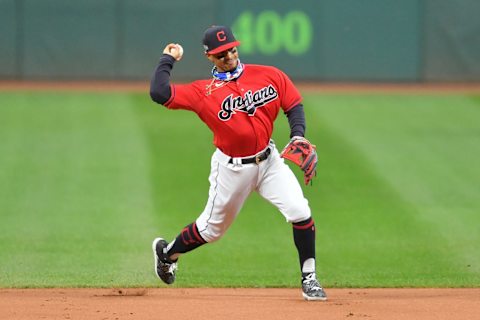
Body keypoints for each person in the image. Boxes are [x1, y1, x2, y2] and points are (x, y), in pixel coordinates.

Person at [149, 25, 327, 301]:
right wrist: (167, 59)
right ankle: (167, 253)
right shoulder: (201, 92)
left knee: (299, 210)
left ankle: (310, 278)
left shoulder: (269, 75)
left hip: (270, 162)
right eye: (221, 54)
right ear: (209, 57)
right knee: (211, 230)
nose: (229, 56)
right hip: (231, 168)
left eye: (232, 49)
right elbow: (159, 93)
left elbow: (293, 104)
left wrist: (298, 135)